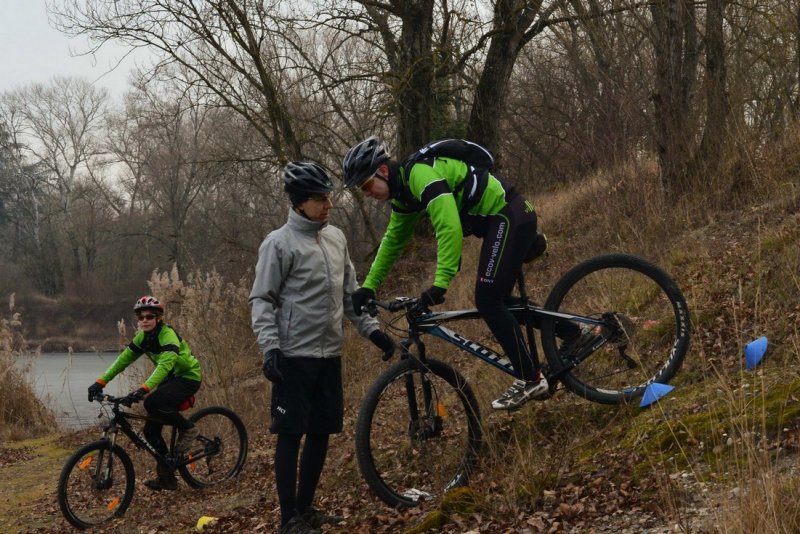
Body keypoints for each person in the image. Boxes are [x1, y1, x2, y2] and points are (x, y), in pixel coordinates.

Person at [342, 136, 558, 411]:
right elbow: (393, 241)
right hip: (500, 220)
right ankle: (573, 332)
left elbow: (448, 226)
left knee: (488, 300)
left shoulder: (420, 175)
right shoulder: (404, 196)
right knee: (499, 302)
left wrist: (440, 283)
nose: (367, 193)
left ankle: (531, 378)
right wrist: (369, 287)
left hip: (508, 214)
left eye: (366, 184)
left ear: (383, 171)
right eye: (362, 189)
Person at [249, 161, 396, 534]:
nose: (328, 204)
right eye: (319, 199)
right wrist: (270, 349)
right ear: (299, 203)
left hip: (329, 353)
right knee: (290, 434)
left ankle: (306, 509)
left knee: (320, 432)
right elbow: (262, 300)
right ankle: (288, 520)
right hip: (292, 356)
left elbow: (350, 293)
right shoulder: (278, 243)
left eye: (329, 196)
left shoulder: (336, 238)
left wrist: (372, 330)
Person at [87, 295, 202, 491]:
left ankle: (188, 428)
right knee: (150, 431)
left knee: (152, 403)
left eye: (149, 316)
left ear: (159, 318)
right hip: (170, 379)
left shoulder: (167, 336)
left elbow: (165, 366)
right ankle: (167, 477)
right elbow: (123, 361)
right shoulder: (143, 338)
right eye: (141, 317)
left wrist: (143, 389)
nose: (145, 320)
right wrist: (100, 382)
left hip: (187, 377)